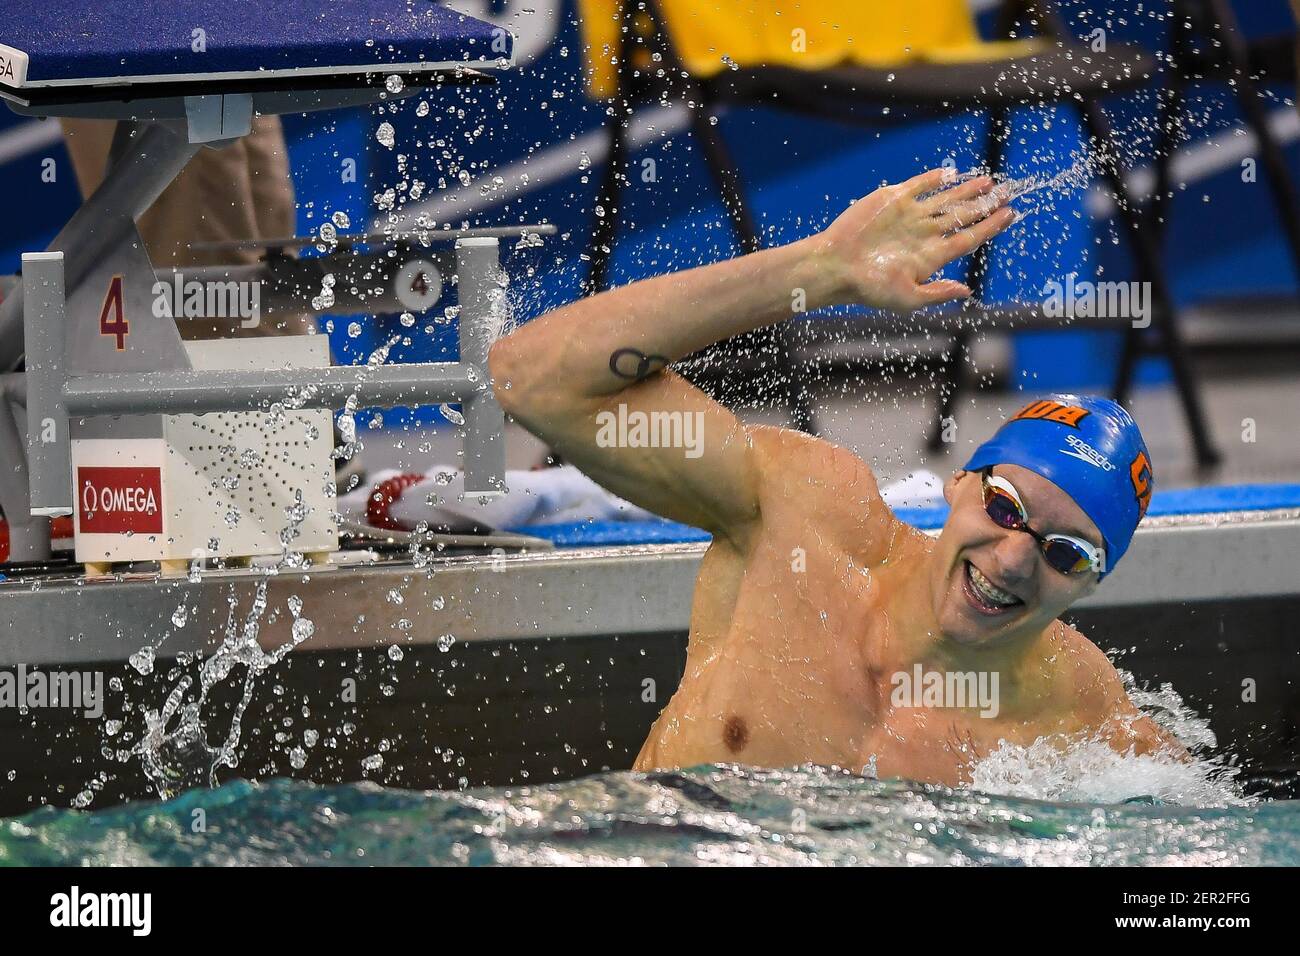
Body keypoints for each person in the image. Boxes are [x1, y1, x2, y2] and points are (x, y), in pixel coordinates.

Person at [489, 168, 1183, 785]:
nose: (1011, 561)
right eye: (1004, 508)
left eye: (1066, 554)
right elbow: (535, 379)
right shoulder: (805, 511)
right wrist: (819, 271)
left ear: (1096, 580)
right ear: (958, 482)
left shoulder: (1082, 719)